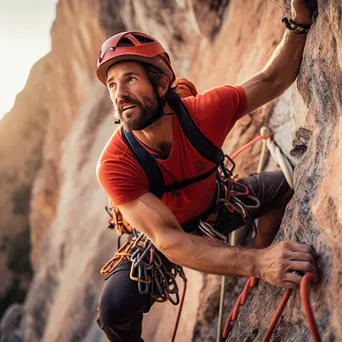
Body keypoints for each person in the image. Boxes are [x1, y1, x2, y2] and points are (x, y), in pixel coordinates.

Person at [95, 1, 318, 341]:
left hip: (217, 205)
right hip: (159, 238)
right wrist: (258, 262)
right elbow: (168, 239)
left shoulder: (202, 114)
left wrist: (299, 21)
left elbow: (272, 80)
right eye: (112, 84)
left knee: (285, 185)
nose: (120, 93)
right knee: (113, 312)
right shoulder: (115, 163)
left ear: (161, 82)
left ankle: (262, 249)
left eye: (129, 79)